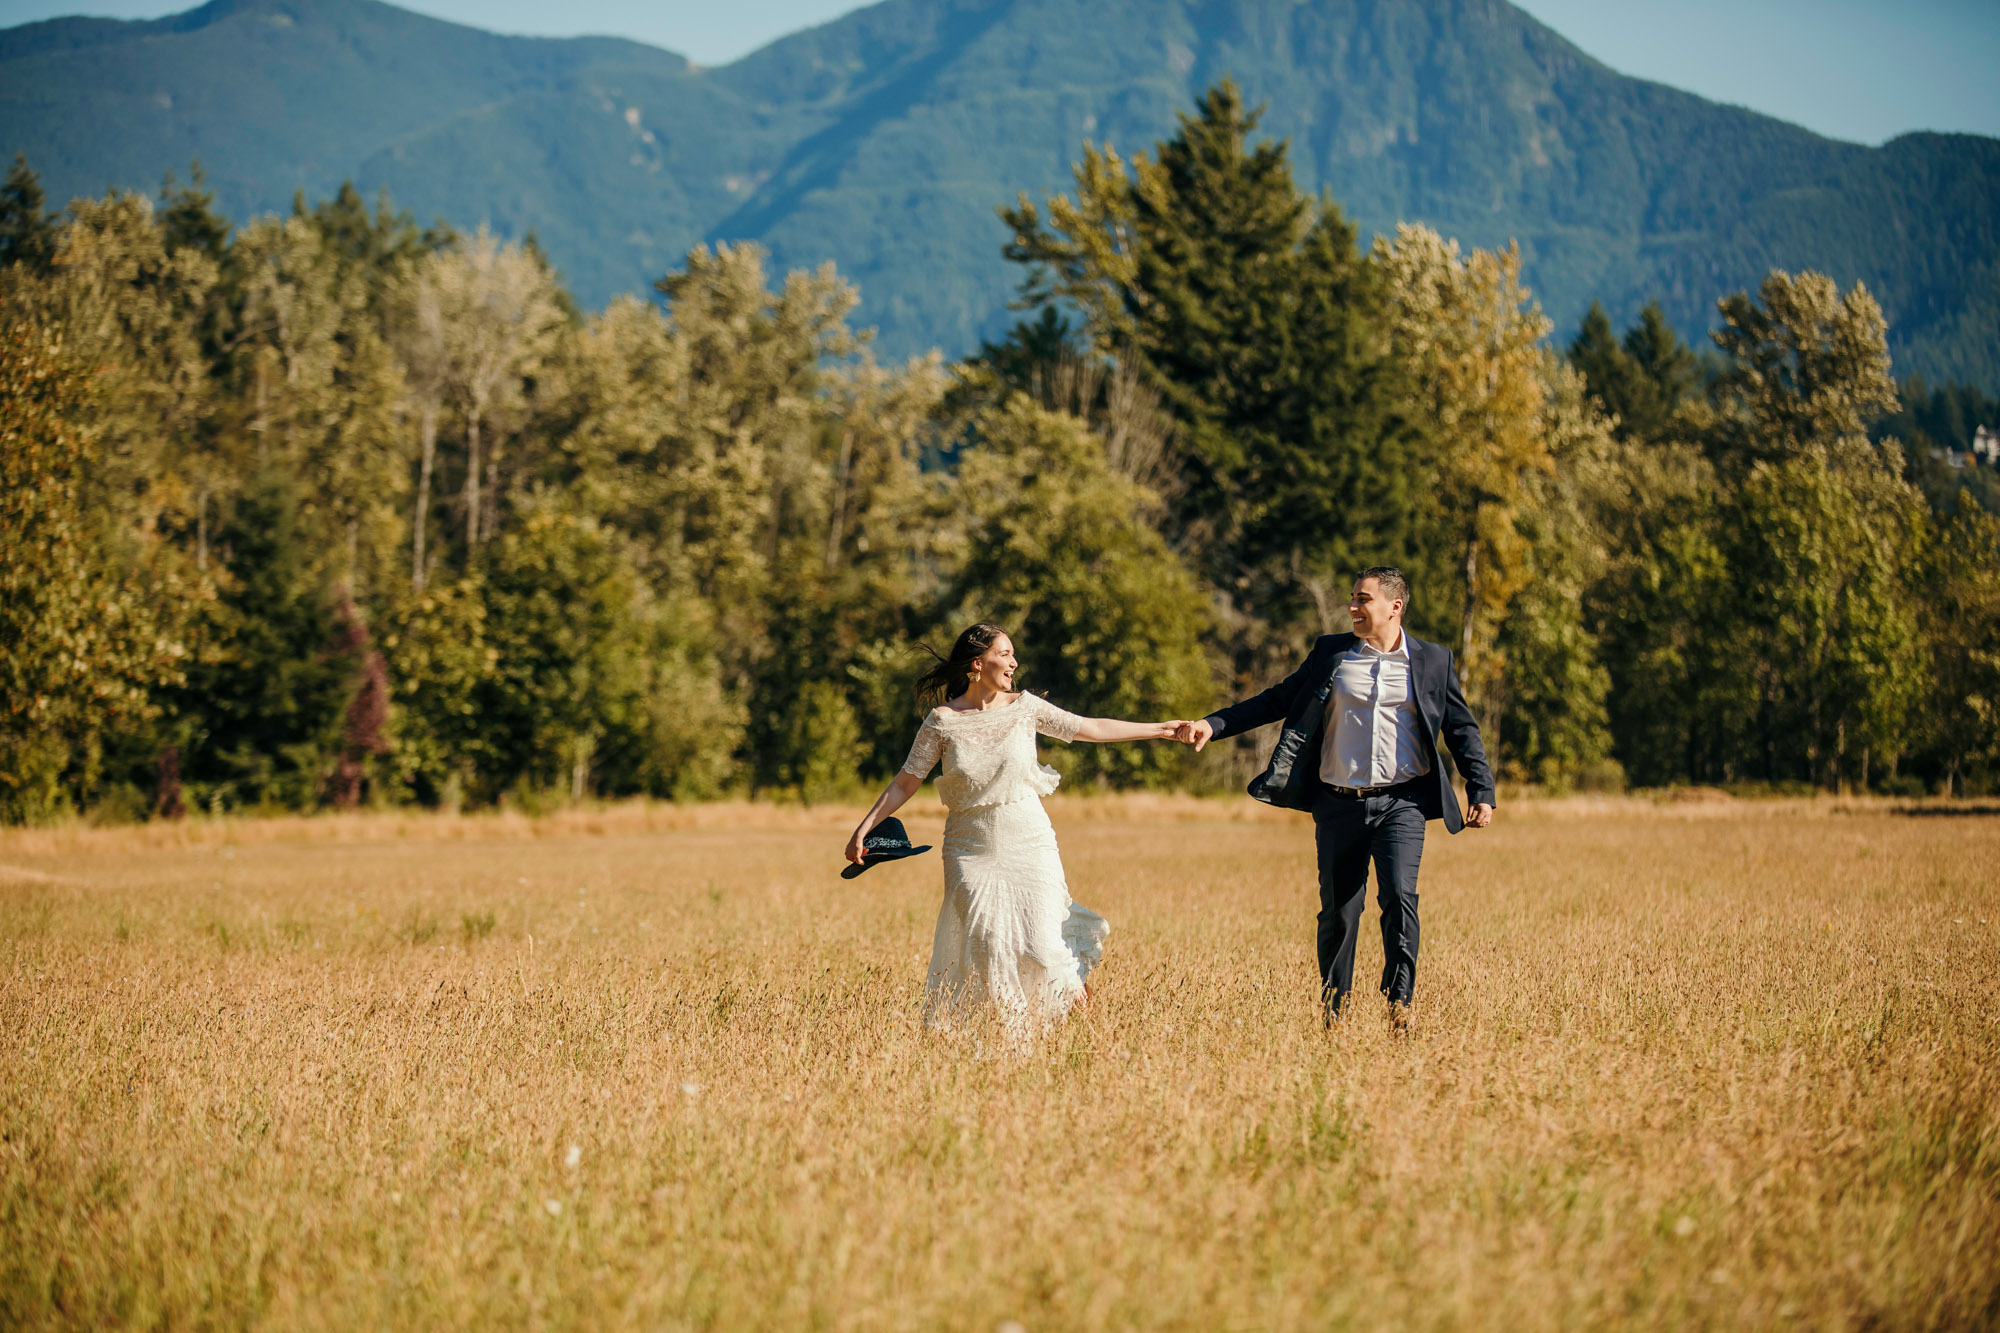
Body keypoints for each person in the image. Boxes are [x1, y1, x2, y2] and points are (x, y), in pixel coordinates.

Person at [1175, 568, 1495, 1031]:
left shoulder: (1433, 661)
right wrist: (1214, 724)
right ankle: (1334, 1011)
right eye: (1351, 598)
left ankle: (1398, 1005)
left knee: (1401, 898)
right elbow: (1276, 700)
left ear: (1394, 606)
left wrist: (1481, 789)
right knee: (1340, 913)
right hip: (1338, 803)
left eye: (1362, 600)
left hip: (1401, 802)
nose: (1352, 607)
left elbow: (1462, 729)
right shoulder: (1332, 653)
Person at [846, 623, 1182, 1037]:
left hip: (1029, 841)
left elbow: (1089, 728)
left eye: (1013, 654)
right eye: (1004, 654)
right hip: (970, 848)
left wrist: (1160, 729)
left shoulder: (1025, 708)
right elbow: (905, 781)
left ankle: (1087, 1036)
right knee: (989, 949)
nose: (1013, 662)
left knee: (1043, 947)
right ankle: (1013, 1044)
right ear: (977, 663)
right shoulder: (942, 722)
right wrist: (865, 827)